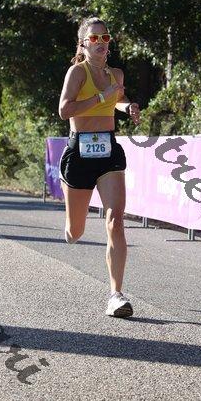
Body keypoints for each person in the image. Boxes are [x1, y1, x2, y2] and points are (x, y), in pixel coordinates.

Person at [58, 16, 140, 317]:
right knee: (75, 232)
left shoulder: (116, 74)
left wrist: (126, 105)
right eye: (94, 38)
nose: (101, 42)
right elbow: (64, 110)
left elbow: (116, 98)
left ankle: (116, 295)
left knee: (115, 220)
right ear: (83, 44)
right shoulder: (77, 72)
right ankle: (70, 222)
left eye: (105, 37)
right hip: (79, 151)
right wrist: (100, 97)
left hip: (108, 151)